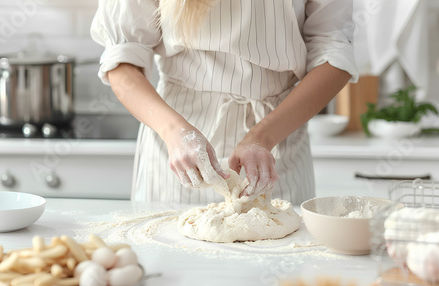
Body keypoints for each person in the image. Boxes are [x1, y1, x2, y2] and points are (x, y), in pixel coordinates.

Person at [90, 0, 358, 205]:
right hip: (175, 140)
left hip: (278, 140)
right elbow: (122, 61)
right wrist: (175, 132)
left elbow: (333, 51)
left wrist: (263, 137)